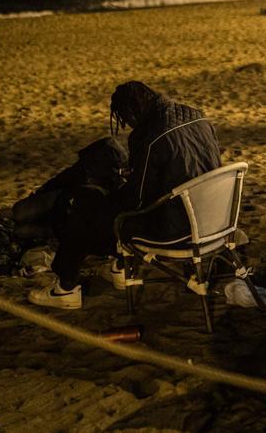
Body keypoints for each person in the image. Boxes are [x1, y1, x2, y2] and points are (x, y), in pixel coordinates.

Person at [27, 81, 222, 309]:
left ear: (132, 112)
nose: (128, 125)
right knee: (103, 203)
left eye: (125, 119)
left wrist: (114, 188)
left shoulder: (150, 137)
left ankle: (65, 288)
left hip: (178, 229)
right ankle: (120, 268)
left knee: (86, 203)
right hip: (216, 216)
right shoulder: (197, 116)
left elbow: (137, 202)